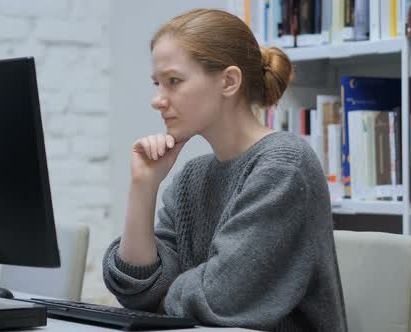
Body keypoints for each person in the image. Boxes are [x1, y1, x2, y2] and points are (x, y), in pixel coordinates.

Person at [102, 9, 347, 332]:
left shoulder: (285, 165)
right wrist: (144, 185)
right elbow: (134, 288)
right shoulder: (192, 175)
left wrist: (159, 299)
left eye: (173, 81)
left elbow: (221, 299)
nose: (157, 100)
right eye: (157, 84)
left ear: (229, 82)